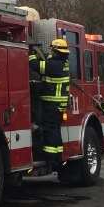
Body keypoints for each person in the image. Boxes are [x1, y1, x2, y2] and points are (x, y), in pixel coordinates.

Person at [29, 38, 70, 172]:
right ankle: (57, 156)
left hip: (52, 104)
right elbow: (47, 60)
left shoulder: (54, 66)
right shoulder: (61, 64)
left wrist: (29, 53)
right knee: (55, 130)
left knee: (50, 130)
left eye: (52, 50)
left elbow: (36, 65)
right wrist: (40, 53)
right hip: (57, 105)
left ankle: (50, 157)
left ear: (56, 52)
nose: (51, 52)